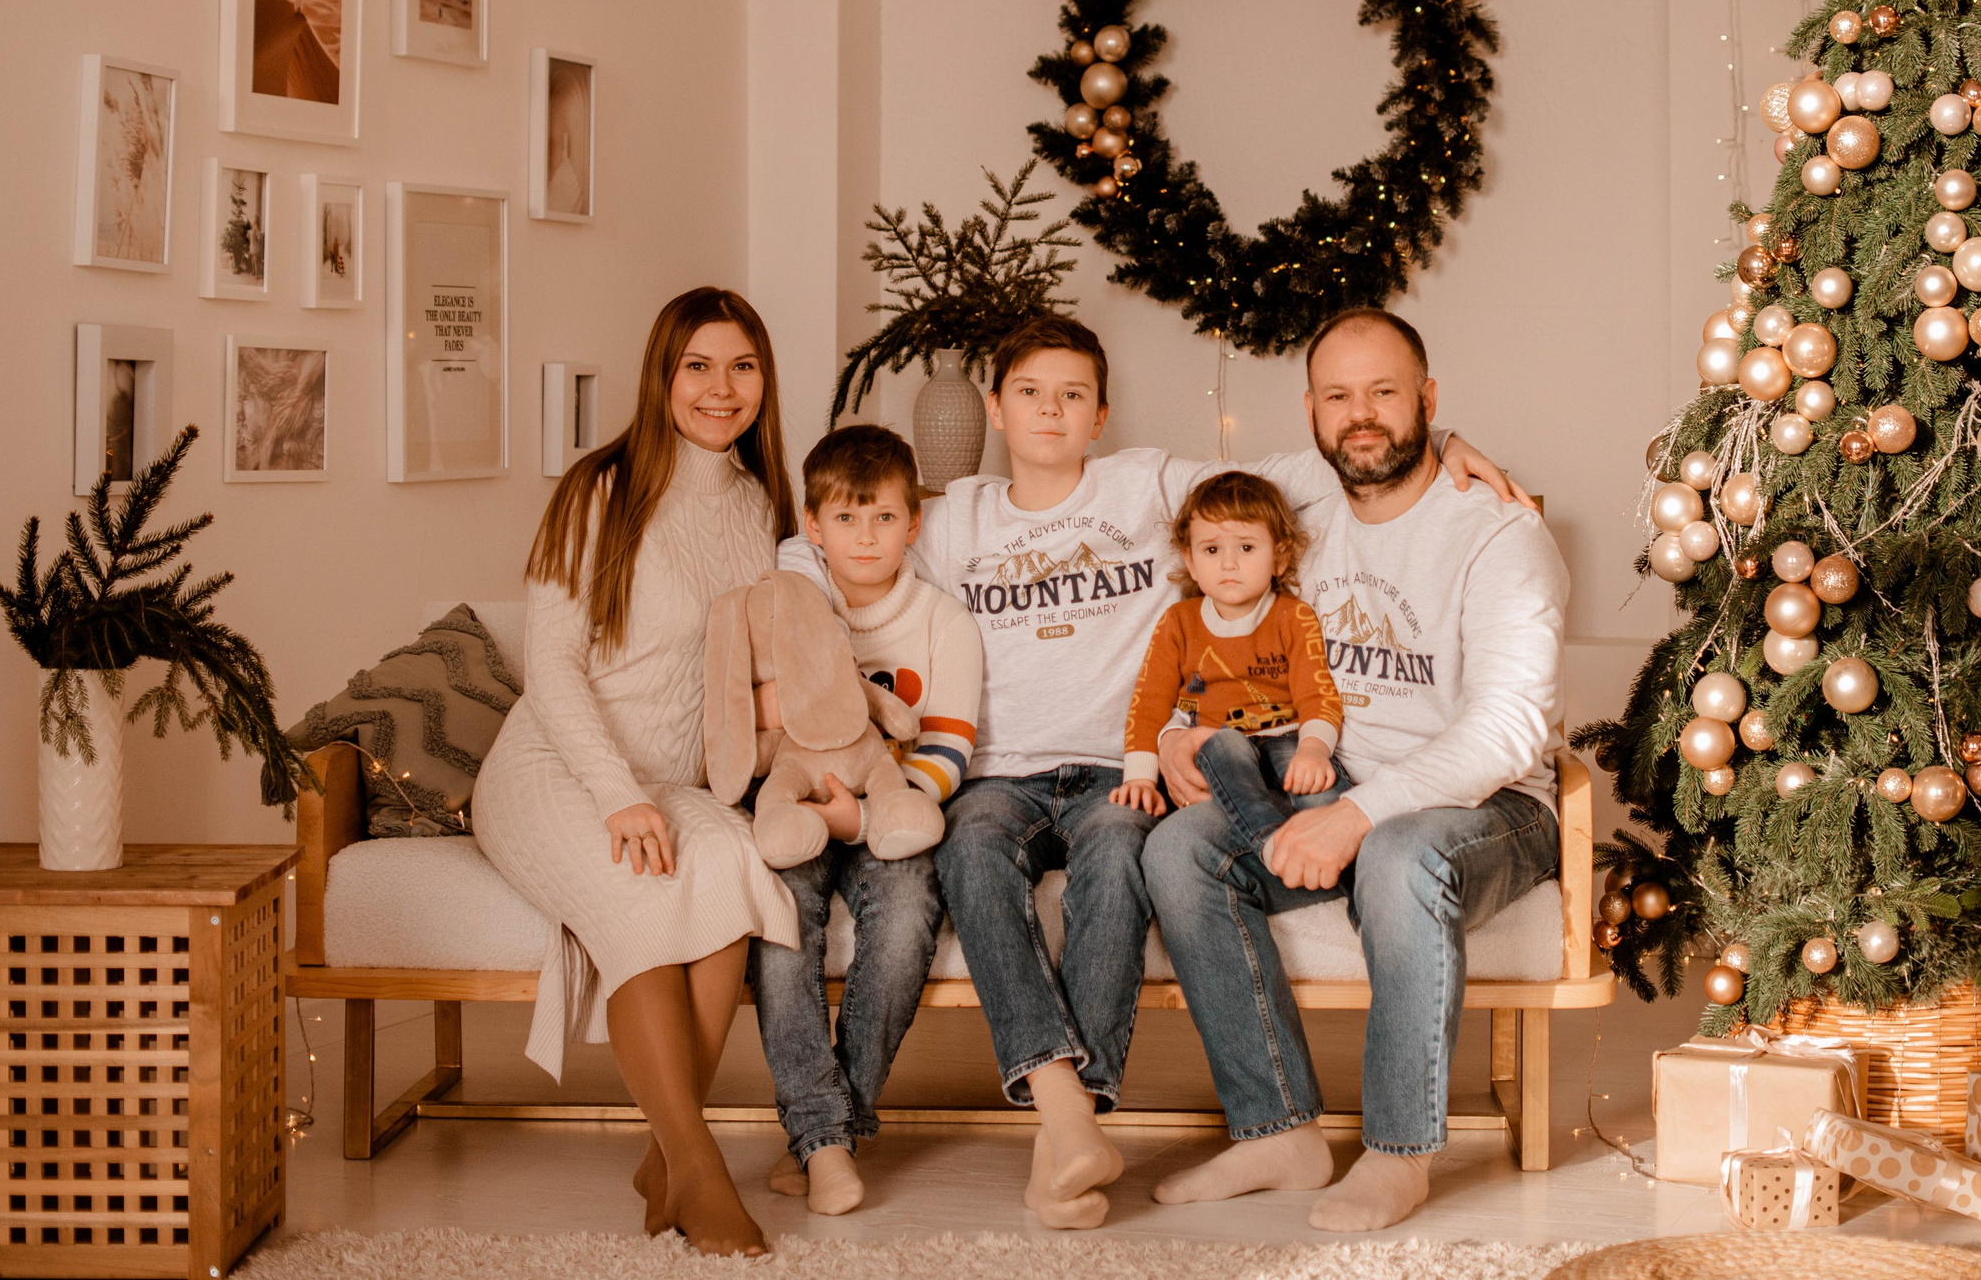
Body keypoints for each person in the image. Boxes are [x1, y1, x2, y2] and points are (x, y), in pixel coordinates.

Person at [773, 312, 1526, 1227]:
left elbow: (1310, 468)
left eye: (1074, 396)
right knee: (971, 852)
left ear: (1101, 415)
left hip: (1113, 775)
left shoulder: (1147, 485)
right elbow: (827, 545)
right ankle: (1064, 1114)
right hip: (997, 776)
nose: (1050, 412)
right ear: (994, 410)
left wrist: (1438, 442)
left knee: (1127, 857)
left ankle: (1078, 1131)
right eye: (1028, 394)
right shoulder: (955, 515)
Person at [1144, 309, 1568, 1233]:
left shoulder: (1499, 534)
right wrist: (1179, 731)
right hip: (1324, 778)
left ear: (1429, 398)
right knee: (1180, 848)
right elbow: (1186, 512)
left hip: (1491, 807)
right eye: (1339, 396)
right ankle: (1278, 1129)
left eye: (1386, 391)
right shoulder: (1299, 495)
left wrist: (1361, 814)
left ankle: (1399, 1153)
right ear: (1310, 411)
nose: (1362, 416)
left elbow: (1511, 725)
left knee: (1396, 855)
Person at [475, 287, 802, 1257]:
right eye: (697, 365)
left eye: (742, 365)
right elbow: (555, 666)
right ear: (661, 376)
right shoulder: (600, 488)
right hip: (556, 765)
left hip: (677, 780)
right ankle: (697, 1169)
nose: (720, 387)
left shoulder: (763, 507)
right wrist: (618, 796)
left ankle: (667, 1150)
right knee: (640, 898)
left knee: (732, 871)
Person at [749, 424, 981, 1216]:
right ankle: (827, 1139)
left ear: (913, 522)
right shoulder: (793, 611)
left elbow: (950, 746)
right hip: (803, 806)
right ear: (812, 527)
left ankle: (821, 1138)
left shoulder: (942, 621)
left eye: (884, 517)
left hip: (891, 816)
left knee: (911, 912)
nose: (866, 536)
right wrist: (822, 808)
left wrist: (873, 810)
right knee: (781, 918)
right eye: (844, 519)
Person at [1109, 470, 1348, 849]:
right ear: (1190, 560)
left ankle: (1347, 871)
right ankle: (1270, 843)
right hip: (1222, 751)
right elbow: (1149, 704)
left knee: (1320, 790)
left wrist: (1314, 750)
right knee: (1222, 744)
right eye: (1212, 550)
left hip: (1286, 737)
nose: (1229, 564)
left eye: (1247, 548)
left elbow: (1318, 695)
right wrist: (1139, 777)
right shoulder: (1179, 622)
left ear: (1279, 557)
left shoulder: (1293, 616)